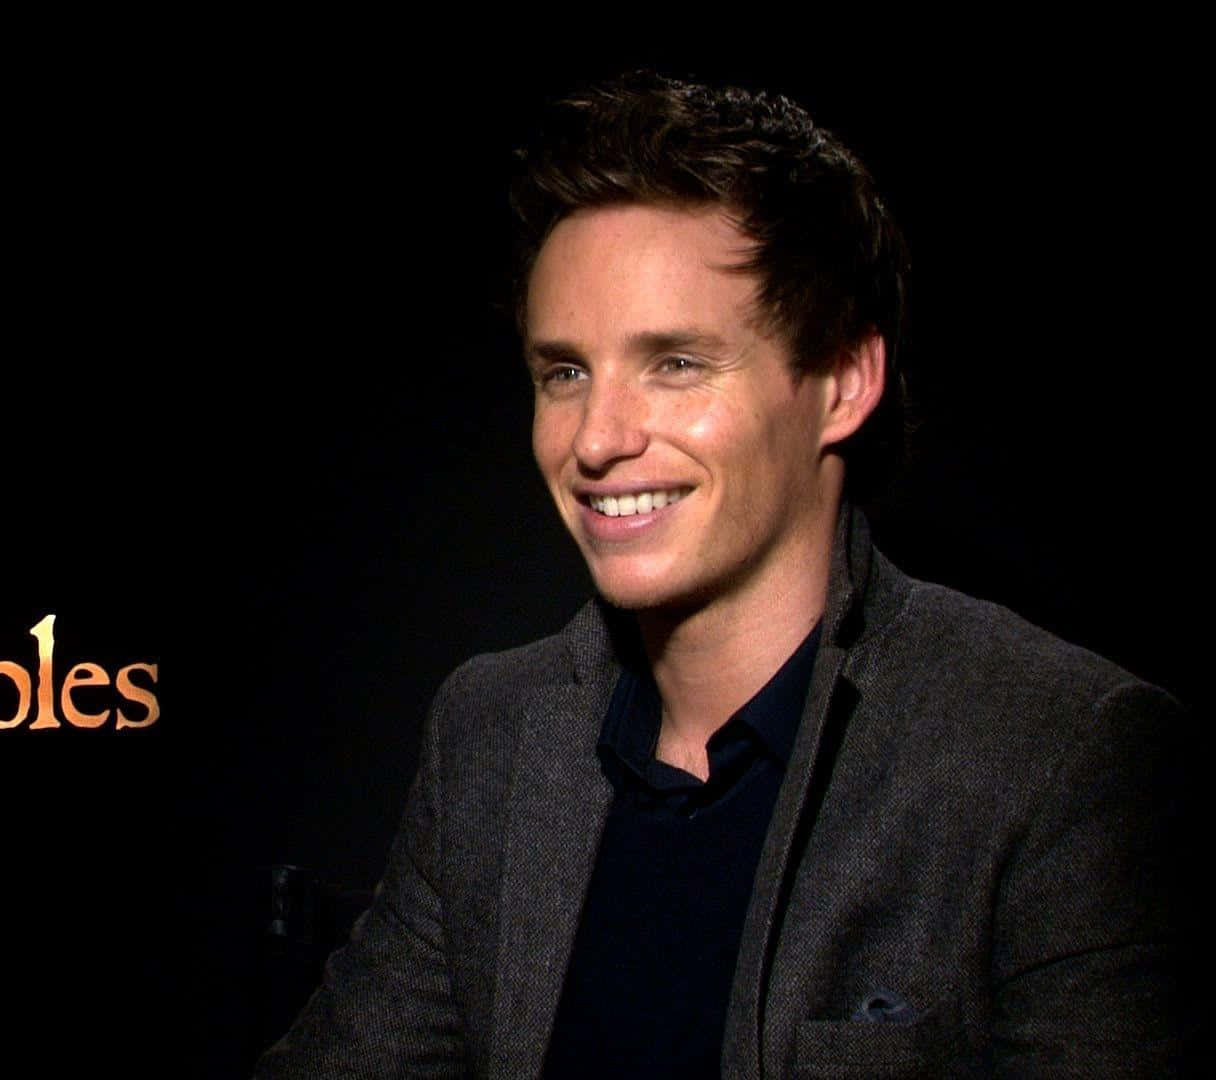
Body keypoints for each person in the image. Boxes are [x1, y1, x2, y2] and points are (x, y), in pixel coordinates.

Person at [255, 72, 1186, 1078]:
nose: (596, 439)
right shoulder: (492, 734)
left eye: (677, 363)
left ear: (842, 383)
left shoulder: (1057, 756)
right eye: (565, 372)